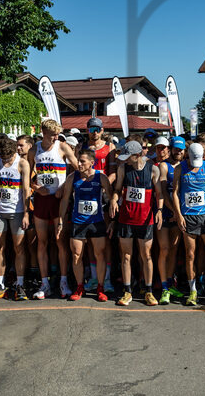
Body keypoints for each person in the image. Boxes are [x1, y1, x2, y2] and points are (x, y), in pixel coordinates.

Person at [28, 119, 77, 299]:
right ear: (43, 133)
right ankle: (45, 283)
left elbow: (77, 168)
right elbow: (28, 176)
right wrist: (35, 188)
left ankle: (63, 281)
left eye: (57, 135)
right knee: (42, 242)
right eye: (52, 135)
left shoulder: (63, 147)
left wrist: (64, 188)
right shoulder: (34, 150)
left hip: (58, 200)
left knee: (60, 241)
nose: (55, 138)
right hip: (42, 199)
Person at [58, 147, 113, 301]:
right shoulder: (72, 177)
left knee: (99, 255)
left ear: (91, 163)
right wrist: (61, 221)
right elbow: (64, 200)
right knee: (76, 255)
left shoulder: (101, 178)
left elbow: (110, 200)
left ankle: (100, 287)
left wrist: (112, 221)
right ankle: (79, 287)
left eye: (82, 161)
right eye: (78, 160)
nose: (79, 164)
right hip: (78, 222)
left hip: (96, 222)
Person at [111, 140, 162, 306]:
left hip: (146, 220)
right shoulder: (123, 169)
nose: (125, 160)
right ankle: (127, 292)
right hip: (126, 219)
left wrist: (159, 211)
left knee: (146, 255)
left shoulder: (153, 169)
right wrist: (113, 199)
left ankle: (148, 291)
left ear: (137, 154)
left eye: (128, 157)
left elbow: (159, 194)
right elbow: (118, 189)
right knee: (126, 256)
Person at [169, 142, 205, 306]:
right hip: (188, 216)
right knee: (190, 255)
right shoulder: (180, 168)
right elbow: (175, 192)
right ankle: (193, 291)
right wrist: (179, 214)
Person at [0, 137, 31, 301]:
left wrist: (26, 213)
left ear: (14, 152)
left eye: (7, 158)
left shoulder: (22, 163)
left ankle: (20, 283)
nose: (5, 161)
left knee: (19, 248)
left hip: (17, 211)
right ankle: (0, 284)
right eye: (2, 158)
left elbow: (26, 190)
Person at [156, 137, 184, 304]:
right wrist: (173, 210)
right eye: (175, 149)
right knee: (164, 249)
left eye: (180, 150)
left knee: (174, 249)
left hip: (179, 213)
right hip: (167, 212)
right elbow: (164, 192)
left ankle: (170, 282)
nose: (178, 152)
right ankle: (164, 286)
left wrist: (179, 213)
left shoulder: (184, 165)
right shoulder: (163, 165)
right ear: (170, 149)